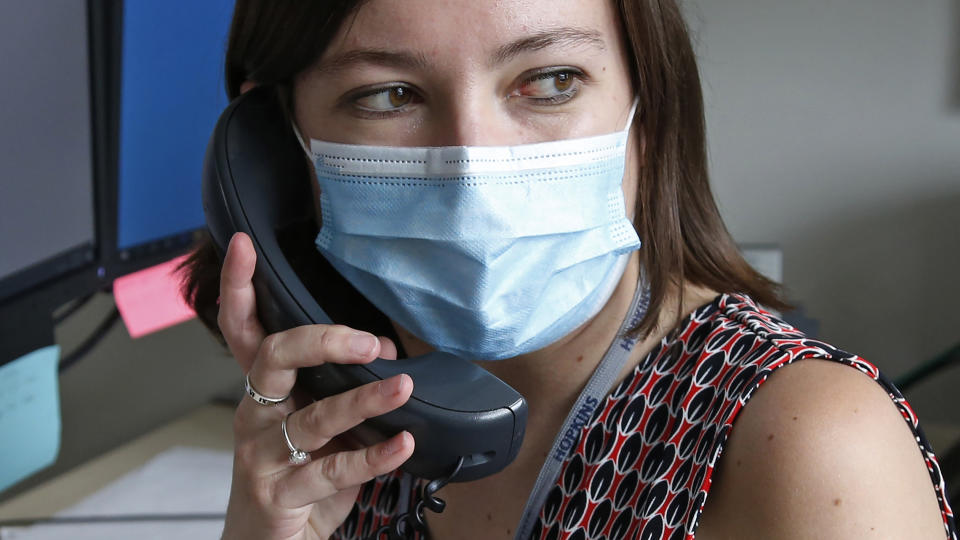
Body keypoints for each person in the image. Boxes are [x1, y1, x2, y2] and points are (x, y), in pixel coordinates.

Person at [181, 1, 957, 539]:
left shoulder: (812, 443)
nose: (473, 171)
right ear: (278, 152)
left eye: (551, 80)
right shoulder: (331, 427)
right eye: (388, 94)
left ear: (645, 117)